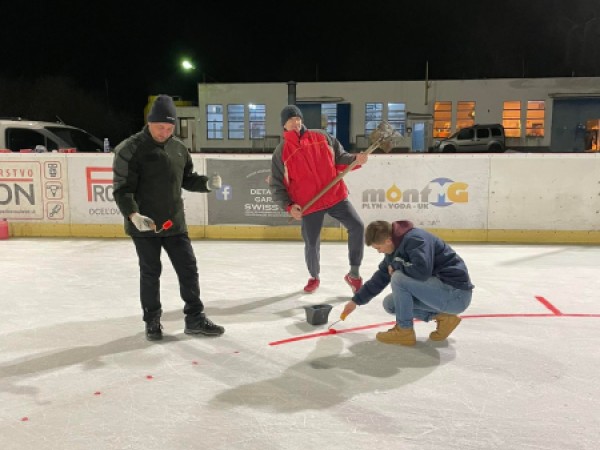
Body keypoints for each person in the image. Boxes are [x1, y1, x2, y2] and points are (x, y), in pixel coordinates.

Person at [112, 94, 225, 341]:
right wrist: (133, 214)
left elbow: (186, 179)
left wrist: (206, 184)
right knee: (151, 272)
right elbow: (122, 189)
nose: (164, 132)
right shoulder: (129, 149)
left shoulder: (178, 148)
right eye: (160, 127)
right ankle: (152, 321)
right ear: (149, 122)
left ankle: (194, 319)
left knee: (188, 269)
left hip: (174, 222)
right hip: (144, 224)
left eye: (169, 127)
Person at [270, 105, 369, 294]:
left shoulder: (322, 136)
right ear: (284, 125)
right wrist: (289, 206)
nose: (296, 123)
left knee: (357, 226)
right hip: (309, 203)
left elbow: (341, 158)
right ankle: (314, 276)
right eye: (291, 120)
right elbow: (277, 185)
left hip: (335, 195)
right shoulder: (281, 152)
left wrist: (356, 159)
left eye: (298, 118)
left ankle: (354, 274)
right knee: (312, 242)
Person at [341, 220, 474, 346]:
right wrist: (355, 301)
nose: (379, 251)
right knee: (391, 304)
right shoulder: (394, 250)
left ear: (388, 240)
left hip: (456, 294)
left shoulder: (416, 239)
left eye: (379, 248)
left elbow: (422, 271)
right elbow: (380, 278)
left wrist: (397, 265)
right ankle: (444, 318)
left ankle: (404, 331)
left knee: (398, 278)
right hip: (442, 294)